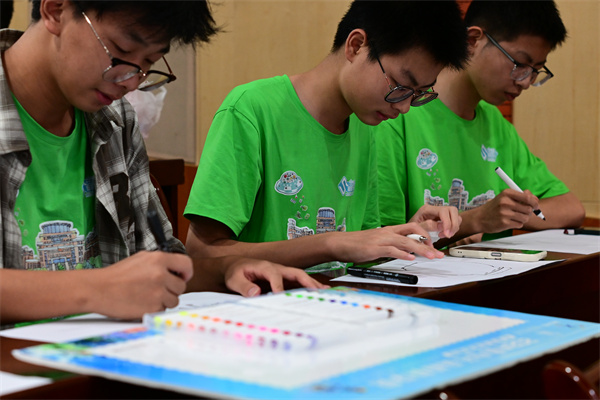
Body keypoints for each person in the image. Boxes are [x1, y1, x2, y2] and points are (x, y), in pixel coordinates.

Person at [0, 0, 324, 325]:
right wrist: (96, 289)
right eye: (122, 51)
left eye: (148, 63)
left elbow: (156, 263)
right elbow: (113, 285)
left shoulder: (116, 121)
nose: (130, 82)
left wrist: (226, 269)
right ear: (56, 10)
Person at [184, 1, 469, 273]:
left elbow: (359, 248)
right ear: (356, 46)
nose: (404, 107)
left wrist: (408, 236)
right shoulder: (252, 110)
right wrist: (330, 244)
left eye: (418, 94)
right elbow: (201, 253)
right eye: (400, 85)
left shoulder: (366, 128)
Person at [375, 0, 585, 247]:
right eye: (519, 64)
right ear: (473, 40)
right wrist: (477, 220)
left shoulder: (496, 125)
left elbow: (571, 208)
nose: (525, 82)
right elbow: (380, 241)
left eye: (535, 70)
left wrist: (505, 215)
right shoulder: (397, 114)